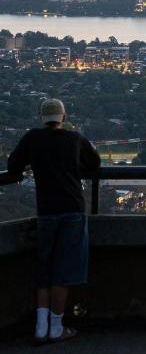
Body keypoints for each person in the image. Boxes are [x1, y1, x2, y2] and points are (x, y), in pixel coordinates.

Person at [8, 98, 100, 344]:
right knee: (64, 270)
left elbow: (13, 165)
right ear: (63, 117)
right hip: (72, 208)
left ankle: (40, 328)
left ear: (42, 118)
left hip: (46, 210)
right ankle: (56, 327)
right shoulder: (75, 138)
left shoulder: (32, 138)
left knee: (44, 268)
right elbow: (95, 163)